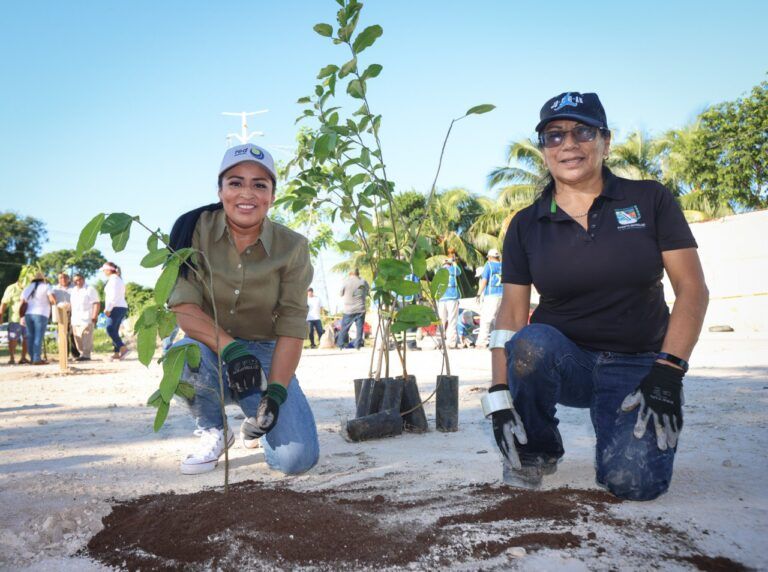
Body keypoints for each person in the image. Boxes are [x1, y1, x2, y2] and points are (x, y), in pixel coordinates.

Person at [483, 92, 709, 501]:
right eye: (554, 135)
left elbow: (692, 289)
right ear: (543, 149)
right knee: (531, 343)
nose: (568, 144)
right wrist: (498, 393)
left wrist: (668, 371)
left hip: (639, 364)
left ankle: (637, 409)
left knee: (634, 484)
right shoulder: (525, 224)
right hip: (567, 362)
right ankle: (537, 448)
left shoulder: (649, 199)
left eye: (582, 132)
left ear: (606, 141)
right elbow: (512, 312)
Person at [167, 143, 319, 476]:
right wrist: (232, 350)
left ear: (272, 196)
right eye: (235, 183)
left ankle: (256, 414)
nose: (247, 193)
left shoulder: (293, 248)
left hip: (264, 353)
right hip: (208, 346)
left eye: (259, 185)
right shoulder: (193, 229)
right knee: (181, 355)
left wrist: (274, 394)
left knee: (296, 460)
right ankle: (214, 429)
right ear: (220, 191)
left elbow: (292, 325)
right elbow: (183, 305)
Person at [20, 272, 56, 365]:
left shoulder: (27, 288)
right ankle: (37, 359)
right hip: (41, 314)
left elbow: (22, 302)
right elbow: (53, 300)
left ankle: (32, 358)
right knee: (38, 337)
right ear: (44, 279)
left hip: (28, 314)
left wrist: (21, 316)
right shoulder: (46, 286)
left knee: (30, 336)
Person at [475, 249, 503, 348]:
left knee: (486, 319)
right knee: (498, 320)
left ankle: (482, 342)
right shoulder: (503, 266)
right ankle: (498, 341)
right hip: (502, 295)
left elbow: (484, 280)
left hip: (491, 295)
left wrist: (479, 293)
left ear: (490, 257)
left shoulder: (489, 265)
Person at [101, 262, 129, 360]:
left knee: (110, 329)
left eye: (104, 270)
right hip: (120, 307)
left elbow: (113, 296)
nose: (103, 272)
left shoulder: (114, 280)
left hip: (115, 307)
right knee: (115, 330)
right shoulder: (118, 279)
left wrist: (108, 309)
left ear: (109, 270)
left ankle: (123, 348)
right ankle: (116, 352)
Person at [69, 273, 100, 361]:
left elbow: (96, 303)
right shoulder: (73, 290)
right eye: (75, 281)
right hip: (75, 319)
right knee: (77, 338)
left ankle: (86, 355)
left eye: (79, 280)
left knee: (86, 337)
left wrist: (94, 316)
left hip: (87, 317)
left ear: (83, 279)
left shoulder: (90, 289)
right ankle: (82, 354)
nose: (78, 282)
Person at [337, 268, 369, 350]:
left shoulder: (346, 282)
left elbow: (340, 294)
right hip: (360, 308)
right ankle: (357, 345)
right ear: (358, 273)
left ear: (350, 273)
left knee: (344, 328)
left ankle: (341, 345)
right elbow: (367, 292)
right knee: (359, 328)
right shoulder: (363, 282)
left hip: (349, 309)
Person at [1, 276, 30, 364]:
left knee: (27, 338)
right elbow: (4, 303)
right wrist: (1, 315)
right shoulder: (11, 288)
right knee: (13, 339)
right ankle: (12, 358)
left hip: (28, 318)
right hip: (15, 319)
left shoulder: (29, 288)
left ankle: (23, 358)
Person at [51, 272, 80, 358]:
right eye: (61, 278)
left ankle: (75, 354)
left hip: (72, 311)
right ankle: (64, 354)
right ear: (58, 279)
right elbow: (52, 300)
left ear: (68, 278)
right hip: (60, 312)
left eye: (65, 277)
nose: (63, 279)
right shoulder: (55, 289)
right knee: (62, 333)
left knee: (73, 332)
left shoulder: (74, 287)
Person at [437, 257, 462, 349]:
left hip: (441, 299)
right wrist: (454, 263)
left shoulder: (438, 271)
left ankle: (439, 342)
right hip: (452, 297)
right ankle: (451, 343)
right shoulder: (453, 269)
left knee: (441, 320)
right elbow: (459, 271)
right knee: (452, 321)